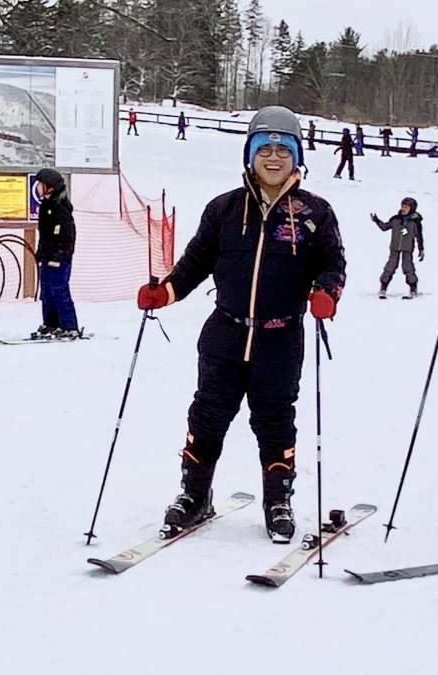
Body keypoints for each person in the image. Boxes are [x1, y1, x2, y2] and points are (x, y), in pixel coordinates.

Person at [134, 106, 346, 544]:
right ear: (250, 154)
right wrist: (165, 292)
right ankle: (194, 496)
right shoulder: (224, 209)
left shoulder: (314, 213)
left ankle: (278, 501)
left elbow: (333, 264)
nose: (273, 157)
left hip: (280, 337)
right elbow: (194, 264)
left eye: (282, 149)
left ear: (296, 156)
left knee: (274, 421)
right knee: (207, 416)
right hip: (225, 334)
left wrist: (327, 293)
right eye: (263, 148)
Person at [30, 169, 80, 340]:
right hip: (47, 258)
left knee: (60, 291)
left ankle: (69, 326)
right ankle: (51, 323)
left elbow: (68, 236)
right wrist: (41, 252)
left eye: (40, 185)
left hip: (59, 260)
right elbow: (45, 234)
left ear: (50, 187)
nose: (37, 188)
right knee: (47, 292)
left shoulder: (61, 209)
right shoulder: (46, 206)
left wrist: (59, 256)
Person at [372, 197, 424, 299]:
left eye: (406, 207)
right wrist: (377, 221)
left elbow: (419, 236)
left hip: (407, 248)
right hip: (395, 247)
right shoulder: (396, 219)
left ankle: (413, 288)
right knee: (390, 266)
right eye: (402, 206)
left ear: (412, 208)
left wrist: (421, 248)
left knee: (408, 267)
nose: (403, 209)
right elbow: (384, 227)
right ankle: (383, 287)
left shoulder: (415, 222)